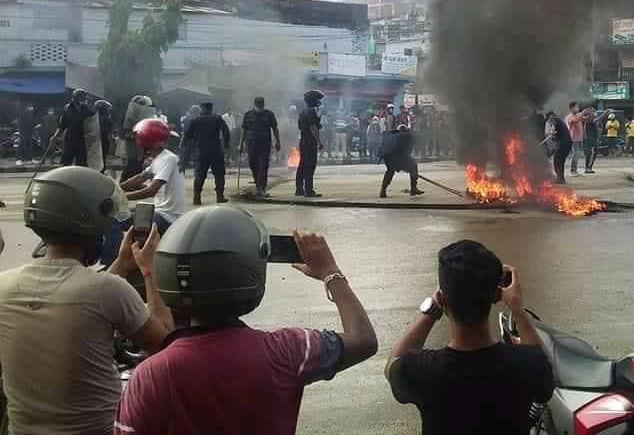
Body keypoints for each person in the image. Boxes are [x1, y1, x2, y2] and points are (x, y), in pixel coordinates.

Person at [115, 208, 378, 435]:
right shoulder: (288, 350)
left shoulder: (151, 374)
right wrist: (331, 273)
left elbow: (171, 344)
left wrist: (148, 271)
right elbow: (363, 339)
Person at [0, 167, 173, 435]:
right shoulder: (107, 290)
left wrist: (121, 265)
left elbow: (73, 292)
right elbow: (167, 349)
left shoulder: (4, 285)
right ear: (92, 229)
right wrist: (149, 270)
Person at [386, 240, 553, 435]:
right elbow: (544, 368)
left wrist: (431, 310)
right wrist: (517, 308)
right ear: (497, 295)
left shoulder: (422, 370)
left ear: (442, 299)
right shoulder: (527, 364)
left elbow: (392, 365)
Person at [120, 118, 188, 232]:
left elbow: (151, 190)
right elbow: (141, 177)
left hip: (166, 217)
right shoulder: (160, 157)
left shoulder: (167, 159)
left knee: (115, 222)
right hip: (159, 212)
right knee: (121, 215)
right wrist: (116, 188)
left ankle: (113, 250)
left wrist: (122, 198)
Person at [183, 102, 231, 205]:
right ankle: (220, 197)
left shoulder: (195, 120)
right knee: (219, 174)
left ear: (202, 109)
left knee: (200, 175)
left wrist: (190, 144)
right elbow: (226, 132)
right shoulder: (217, 118)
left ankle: (196, 198)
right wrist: (226, 145)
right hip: (216, 150)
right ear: (210, 109)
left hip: (201, 151)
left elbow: (187, 135)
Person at [241, 96, 280, 197]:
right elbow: (244, 129)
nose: (259, 105)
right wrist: (240, 144)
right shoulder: (248, 115)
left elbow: (275, 128)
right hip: (251, 144)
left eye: (261, 104)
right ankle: (258, 184)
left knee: (263, 166)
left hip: (265, 144)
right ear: (254, 104)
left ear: (264, 104)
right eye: (258, 104)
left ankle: (261, 188)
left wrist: (278, 141)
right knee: (252, 164)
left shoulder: (269, 114)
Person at [52, 88, 95, 167]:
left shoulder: (85, 109)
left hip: (82, 139)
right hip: (71, 138)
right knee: (67, 162)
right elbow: (62, 125)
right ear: (77, 98)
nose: (85, 101)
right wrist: (55, 136)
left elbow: (93, 119)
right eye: (83, 99)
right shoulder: (68, 109)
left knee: (82, 163)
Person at [380, 123, 424, 197]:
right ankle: (413, 188)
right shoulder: (406, 135)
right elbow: (409, 149)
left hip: (387, 156)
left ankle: (383, 190)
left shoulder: (390, 135)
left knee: (390, 171)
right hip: (398, 155)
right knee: (413, 166)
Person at [296, 90, 324, 198]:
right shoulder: (311, 112)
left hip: (303, 140)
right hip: (309, 141)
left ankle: (299, 189)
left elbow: (301, 126)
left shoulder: (303, 112)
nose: (318, 102)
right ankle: (309, 190)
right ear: (313, 101)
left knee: (302, 164)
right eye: (317, 100)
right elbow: (313, 127)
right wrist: (319, 141)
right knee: (309, 165)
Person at [121, 95, 156, 181]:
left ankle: (135, 182)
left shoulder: (144, 116)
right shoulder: (129, 116)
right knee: (133, 162)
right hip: (133, 141)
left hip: (140, 141)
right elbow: (125, 129)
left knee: (139, 162)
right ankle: (126, 181)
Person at [547, 111, 572, 184]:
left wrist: (551, 131)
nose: (549, 122)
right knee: (561, 161)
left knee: (557, 160)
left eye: (549, 120)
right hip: (568, 143)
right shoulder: (560, 122)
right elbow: (556, 137)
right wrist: (553, 137)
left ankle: (560, 179)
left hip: (563, 143)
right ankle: (561, 179)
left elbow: (553, 129)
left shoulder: (555, 120)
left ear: (551, 116)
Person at [179, 104, 201, 174]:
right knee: (195, 157)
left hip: (188, 140)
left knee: (185, 157)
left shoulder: (187, 118)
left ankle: (182, 172)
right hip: (195, 140)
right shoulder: (199, 119)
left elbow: (184, 130)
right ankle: (196, 172)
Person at [93, 99, 114, 172]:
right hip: (103, 143)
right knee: (102, 163)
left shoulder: (92, 118)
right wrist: (112, 145)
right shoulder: (107, 120)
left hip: (93, 144)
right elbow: (109, 134)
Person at [565, 102, 585, 177]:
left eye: (578, 107)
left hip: (579, 138)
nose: (578, 108)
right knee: (575, 154)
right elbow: (574, 120)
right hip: (573, 138)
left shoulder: (578, 115)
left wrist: (589, 113)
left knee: (577, 154)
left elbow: (585, 119)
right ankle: (573, 170)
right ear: (571, 108)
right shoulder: (569, 116)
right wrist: (582, 114)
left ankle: (575, 170)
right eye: (576, 107)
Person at [15, 101, 34, 165]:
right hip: (24, 131)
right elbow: (22, 123)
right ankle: (18, 159)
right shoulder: (24, 113)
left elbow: (31, 123)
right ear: (27, 107)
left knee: (29, 145)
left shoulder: (30, 113)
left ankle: (29, 159)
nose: (32, 108)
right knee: (22, 145)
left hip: (29, 131)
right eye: (30, 107)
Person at [583, 107, 599, 173]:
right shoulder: (590, 120)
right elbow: (599, 118)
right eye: (593, 112)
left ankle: (589, 167)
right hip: (590, 140)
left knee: (593, 153)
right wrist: (606, 112)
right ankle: (587, 168)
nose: (595, 113)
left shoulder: (591, 121)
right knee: (590, 153)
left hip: (593, 139)